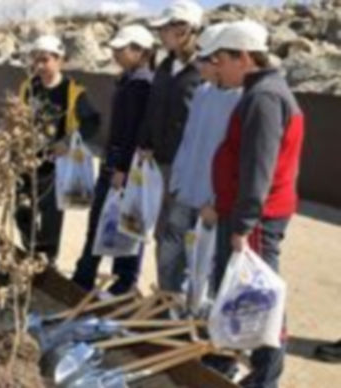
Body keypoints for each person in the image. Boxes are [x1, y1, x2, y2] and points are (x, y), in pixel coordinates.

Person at [203, 20, 305, 388]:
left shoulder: (264, 98)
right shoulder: (260, 92)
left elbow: (259, 169)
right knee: (241, 295)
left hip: (258, 217)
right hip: (250, 213)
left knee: (261, 299)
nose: (216, 68)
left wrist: (244, 225)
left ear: (244, 57)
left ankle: (265, 378)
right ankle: (233, 362)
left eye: (221, 60)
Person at [155, 23, 242, 299]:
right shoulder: (203, 93)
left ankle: (198, 318)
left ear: (219, 62)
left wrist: (217, 201)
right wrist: (177, 181)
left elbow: (235, 160)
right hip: (185, 193)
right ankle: (167, 309)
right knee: (169, 254)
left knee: (204, 265)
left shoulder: (241, 101)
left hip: (210, 201)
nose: (200, 64)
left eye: (205, 59)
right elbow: (188, 142)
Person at [71, 25, 155, 295]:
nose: (116, 54)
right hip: (114, 161)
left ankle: (124, 280)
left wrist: (122, 167)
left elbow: (134, 131)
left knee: (127, 225)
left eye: (121, 49)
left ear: (139, 51)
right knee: (101, 221)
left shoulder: (142, 84)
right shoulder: (127, 80)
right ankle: (86, 274)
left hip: (123, 166)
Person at [137, 0, 204, 293]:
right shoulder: (165, 67)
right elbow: (152, 109)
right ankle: (166, 296)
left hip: (188, 171)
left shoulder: (205, 70)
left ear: (184, 28)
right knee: (163, 234)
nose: (160, 35)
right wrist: (146, 142)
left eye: (164, 28)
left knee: (180, 237)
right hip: (160, 165)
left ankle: (176, 303)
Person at [15, 34, 100, 266]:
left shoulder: (73, 91)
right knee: (21, 211)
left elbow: (93, 122)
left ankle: (47, 260)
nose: (39, 66)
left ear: (59, 60)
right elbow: (18, 119)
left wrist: (68, 140)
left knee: (52, 218)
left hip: (56, 168)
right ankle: (30, 249)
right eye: (36, 60)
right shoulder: (29, 87)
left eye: (45, 60)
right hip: (27, 163)